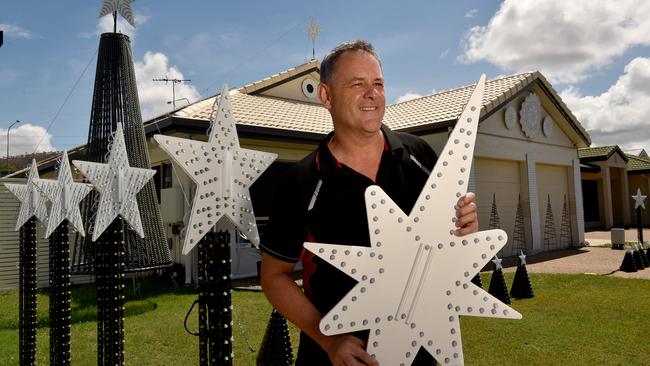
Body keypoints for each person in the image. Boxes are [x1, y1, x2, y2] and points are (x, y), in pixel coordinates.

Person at [260, 40, 478, 366]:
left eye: (378, 84)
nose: (371, 94)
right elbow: (273, 277)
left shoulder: (420, 156)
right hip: (335, 358)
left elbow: (448, 249)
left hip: (424, 353)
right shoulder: (300, 181)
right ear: (326, 96)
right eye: (357, 84)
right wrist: (329, 339)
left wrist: (465, 230)